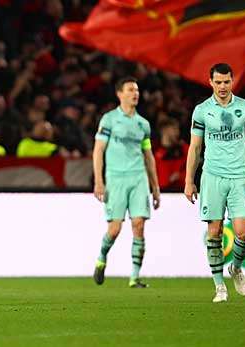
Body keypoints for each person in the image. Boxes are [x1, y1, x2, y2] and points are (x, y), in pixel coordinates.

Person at [184, 63, 245, 303]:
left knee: (243, 233)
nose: (222, 86)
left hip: (239, 176)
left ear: (232, 81)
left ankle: (236, 268)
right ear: (210, 82)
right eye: (217, 82)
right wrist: (189, 180)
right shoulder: (201, 111)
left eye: (226, 82)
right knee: (214, 232)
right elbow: (195, 147)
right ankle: (219, 287)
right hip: (212, 176)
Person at [92, 76, 161, 288]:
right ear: (119, 94)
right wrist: (99, 180)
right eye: (130, 89)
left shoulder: (143, 125)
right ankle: (102, 257)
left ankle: (134, 277)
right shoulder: (109, 120)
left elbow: (148, 156)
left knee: (139, 225)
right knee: (114, 229)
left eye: (137, 90)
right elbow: (98, 150)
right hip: (116, 178)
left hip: (138, 177)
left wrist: (155, 187)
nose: (135, 93)